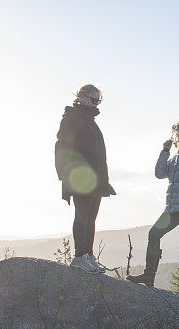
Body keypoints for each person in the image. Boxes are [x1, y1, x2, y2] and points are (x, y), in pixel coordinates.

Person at [127, 121, 179, 294]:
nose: (174, 137)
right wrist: (165, 151)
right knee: (154, 234)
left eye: (176, 133)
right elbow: (159, 173)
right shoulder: (176, 155)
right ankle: (149, 276)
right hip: (172, 208)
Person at [54, 84, 115, 273]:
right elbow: (61, 146)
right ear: (80, 97)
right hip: (79, 176)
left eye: (98, 100)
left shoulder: (90, 120)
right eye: (93, 99)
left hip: (96, 178)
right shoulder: (72, 117)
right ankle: (79, 257)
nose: (96, 104)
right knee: (82, 216)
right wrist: (64, 173)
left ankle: (88, 255)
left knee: (91, 218)